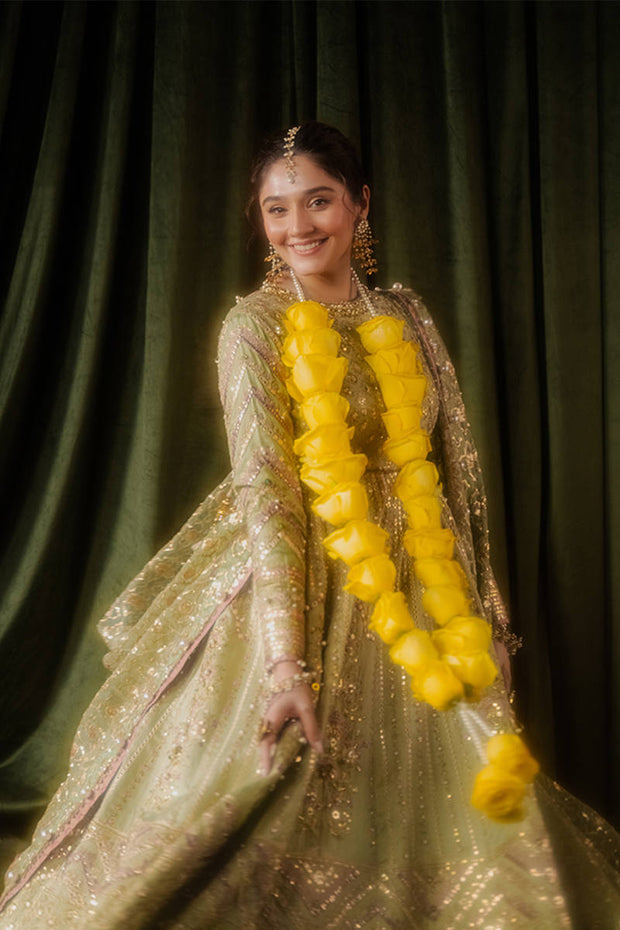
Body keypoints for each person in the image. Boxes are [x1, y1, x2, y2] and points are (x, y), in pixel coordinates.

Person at [0, 122, 618, 929]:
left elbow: (454, 470)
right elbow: (267, 489)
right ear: (260, 221)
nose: (300, 227)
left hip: (422, 578)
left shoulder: (406, 315)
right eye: (276, 208)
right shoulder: (251, 329)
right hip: (298, 567)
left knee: (470, 779)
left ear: (360, 205)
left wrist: (490, 620)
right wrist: (287, 663)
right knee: (263, 782)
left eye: (319, 200)